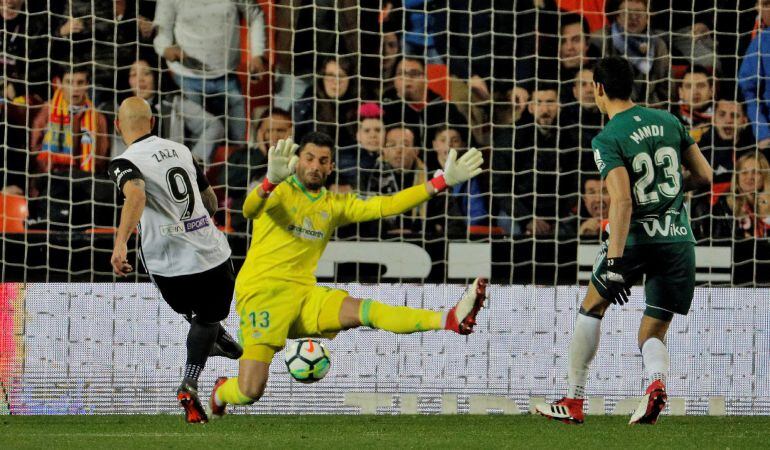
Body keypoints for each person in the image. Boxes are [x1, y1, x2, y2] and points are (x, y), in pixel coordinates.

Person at [208, 131, 487, 416]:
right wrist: (269, 182)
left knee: (366, 312)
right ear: (297, 161)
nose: (315, 166)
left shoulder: (333, 205)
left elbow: (386, 205)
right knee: (249, 391)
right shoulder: (280, 190)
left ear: (331, 167)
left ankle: (449, 319)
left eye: (323, 161)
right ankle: (220, 392)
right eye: (309, 158)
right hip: (263, 294)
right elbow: (249, 209)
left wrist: (441, 181)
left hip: (305, 294)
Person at [535, 56, 712, 425]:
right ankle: (655, 385)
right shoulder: (669, 121)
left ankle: (573, 400)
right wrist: (674, 194)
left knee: (591, 307)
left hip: (633, 241)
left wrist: (614, 261)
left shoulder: (608, 137)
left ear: (598, 89)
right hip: (678, 241)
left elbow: (622, 199)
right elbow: (705, 177)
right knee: (652, 331)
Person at [108, 97, 243, 424]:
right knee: (209, 318)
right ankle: (192, 376)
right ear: (153, 123)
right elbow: (208, 199)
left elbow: (136, 194)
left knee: (195, 311)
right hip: (211, 254)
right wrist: (194, 223)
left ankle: (211, 336)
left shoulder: (122, 162)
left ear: (117, 125)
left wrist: (120, 244)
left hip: (167, 263)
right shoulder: (182, 150)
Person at [153, 0, 266, 146]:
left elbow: (256, 15)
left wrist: (257, 54)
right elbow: (163, 29)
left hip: (227, 75)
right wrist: (166, 49)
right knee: (195, 142)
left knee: (239, 140)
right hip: (187, 78)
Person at [111, 59, 225, 161]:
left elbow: (214, 125)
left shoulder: (175, 103)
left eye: (146, 73)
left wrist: (195, 158)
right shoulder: (120, 111)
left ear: (156, 76)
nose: (140, 80)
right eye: (133, 75)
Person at [224, 108, 293, 232]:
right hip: (245, 226)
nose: (275, 136)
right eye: (269, 131)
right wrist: (261, 154)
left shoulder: (299, 160)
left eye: (281, 131)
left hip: (281, 225)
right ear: (260, 133)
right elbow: (227, 183)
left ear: (291, 132)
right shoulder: (243, 156)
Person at [594, 0, 670, 106]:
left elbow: (665, 87)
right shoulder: (600, 39)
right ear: (616, 14)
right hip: (611, 107)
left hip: (649, 109)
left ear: (648, 15)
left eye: (639, 12)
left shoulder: (658, 44)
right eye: (627, 13)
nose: (633, 18)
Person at [365, 125, 427, 236]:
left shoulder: (430, 179)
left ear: (416, 151)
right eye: (392, 145)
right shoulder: (369, 177)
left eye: (405, 144)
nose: (399, 150)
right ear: (383, 151)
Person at [672, 66, 714, 143]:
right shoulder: (670, 120)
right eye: (688, 86)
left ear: (711, 91)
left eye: (701, 85)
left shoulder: (722, 119)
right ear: (680, 93)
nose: (695, 92)